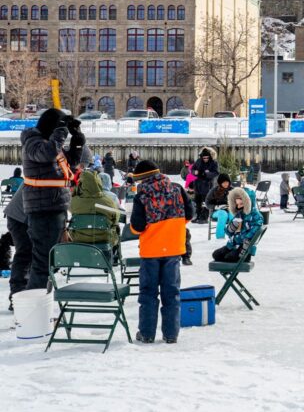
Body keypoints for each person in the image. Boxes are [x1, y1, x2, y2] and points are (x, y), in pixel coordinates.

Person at [129, 159, 194, 344]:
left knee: (148, 293)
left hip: (151, 251)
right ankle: (171, 334)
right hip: (174, 248)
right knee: (172, 293)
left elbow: (137, 226)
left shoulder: (142, 195)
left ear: (143, 178)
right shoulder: (177, 188)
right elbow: (190, 214)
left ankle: (147, 334)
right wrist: (172, 227)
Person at [21, 108, 86, 290]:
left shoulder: (49, 143)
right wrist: (61, 130)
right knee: (43, 262)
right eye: (58, 126)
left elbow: (69, 163)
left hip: (54, 207)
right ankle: (35, 306)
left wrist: (77, 141)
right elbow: (47, 153)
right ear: (52, 126)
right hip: (43, 210)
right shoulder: (33, 142)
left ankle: (42, 305)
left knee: (49, 261)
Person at [69, 170, 121, 248]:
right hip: (105, 240)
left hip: (79, 239)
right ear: (98, 183)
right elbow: (116, 218)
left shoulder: (73, 201)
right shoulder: (108, 201)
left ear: (81, 184)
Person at [212, 187, 264, 263]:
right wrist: (232, 227)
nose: (239, 207)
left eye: (241, 204)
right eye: (237, 204)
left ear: (248, 203)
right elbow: (229, 232)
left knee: (228, 258)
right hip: (233, 244)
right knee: (216, 255)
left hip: (245, 249)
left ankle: (240, 259)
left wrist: (242, 242)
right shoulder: (239, 214)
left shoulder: (256, 216)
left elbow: (252, 235)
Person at [3, 187, 31, 310]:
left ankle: (21, 297)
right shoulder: (55, 175)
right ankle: (17, 299)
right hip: (20, 217)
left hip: (22, 214)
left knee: (28, 255)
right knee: (25, 255)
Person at [190, 146, 219, 223]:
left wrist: (207, 174)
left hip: (207, 186)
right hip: (198, 185)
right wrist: (194, 172)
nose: (205, 159)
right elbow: (192, 169)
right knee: (198, 202)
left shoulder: (213, 162)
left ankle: (204, 217)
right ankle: (198, 216)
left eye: (207, 158)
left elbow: (216, 173)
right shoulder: (198, 161)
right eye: (204, 158)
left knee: (205, 202)